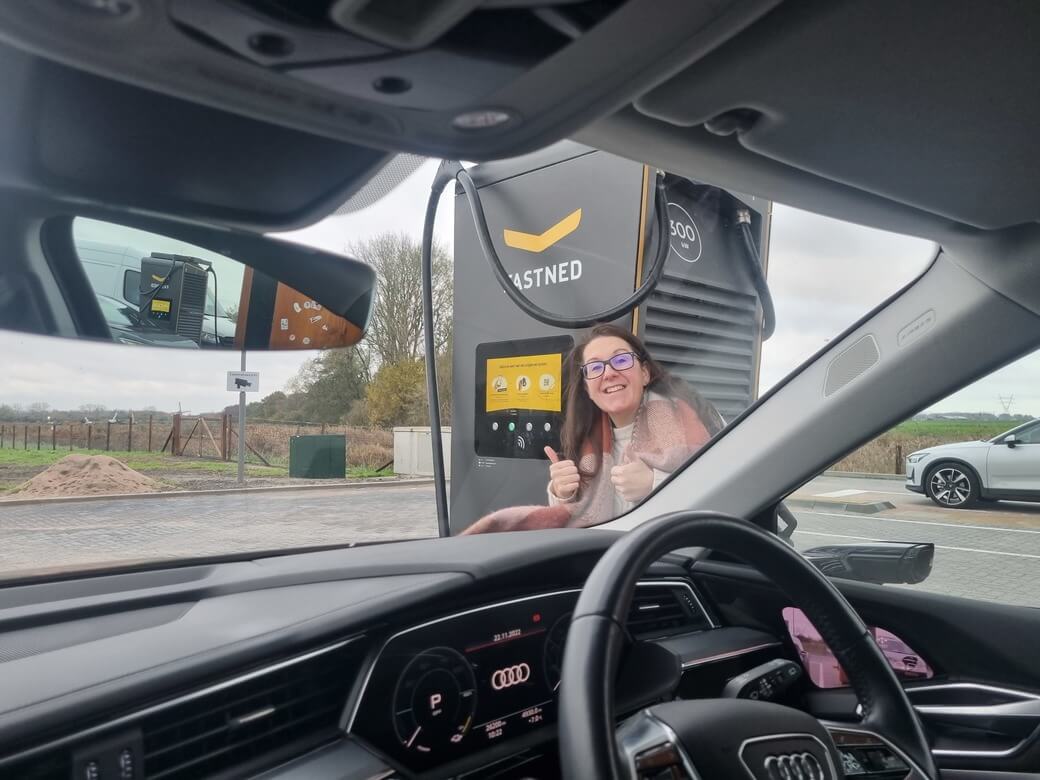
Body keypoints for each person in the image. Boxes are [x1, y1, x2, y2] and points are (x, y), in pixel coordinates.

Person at [462, 324, 724, 534]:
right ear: (587, 387)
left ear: (645, 373)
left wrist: (654, 484)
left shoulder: (692, 420)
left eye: (620, 360)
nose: (608, 373)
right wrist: (562, 493)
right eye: (595, 367)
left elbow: (728, 489)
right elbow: (578, 519)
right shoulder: (584, 438)